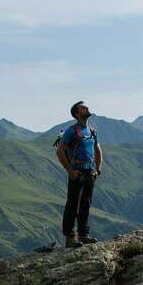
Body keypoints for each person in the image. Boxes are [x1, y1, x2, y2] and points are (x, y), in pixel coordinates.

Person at [57, 101, 103, 247]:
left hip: (90, 172)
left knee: (85, 204)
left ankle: (83, 234)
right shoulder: (72, 131)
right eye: (83, 108)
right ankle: (70, 237)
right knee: (73, 204)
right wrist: (70, 172)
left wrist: (98, 169)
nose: (87, 108)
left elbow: (97, 150)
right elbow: (59, 152)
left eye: (86, 107)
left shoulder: (91, 129)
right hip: (77, 172)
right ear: (77, 114)